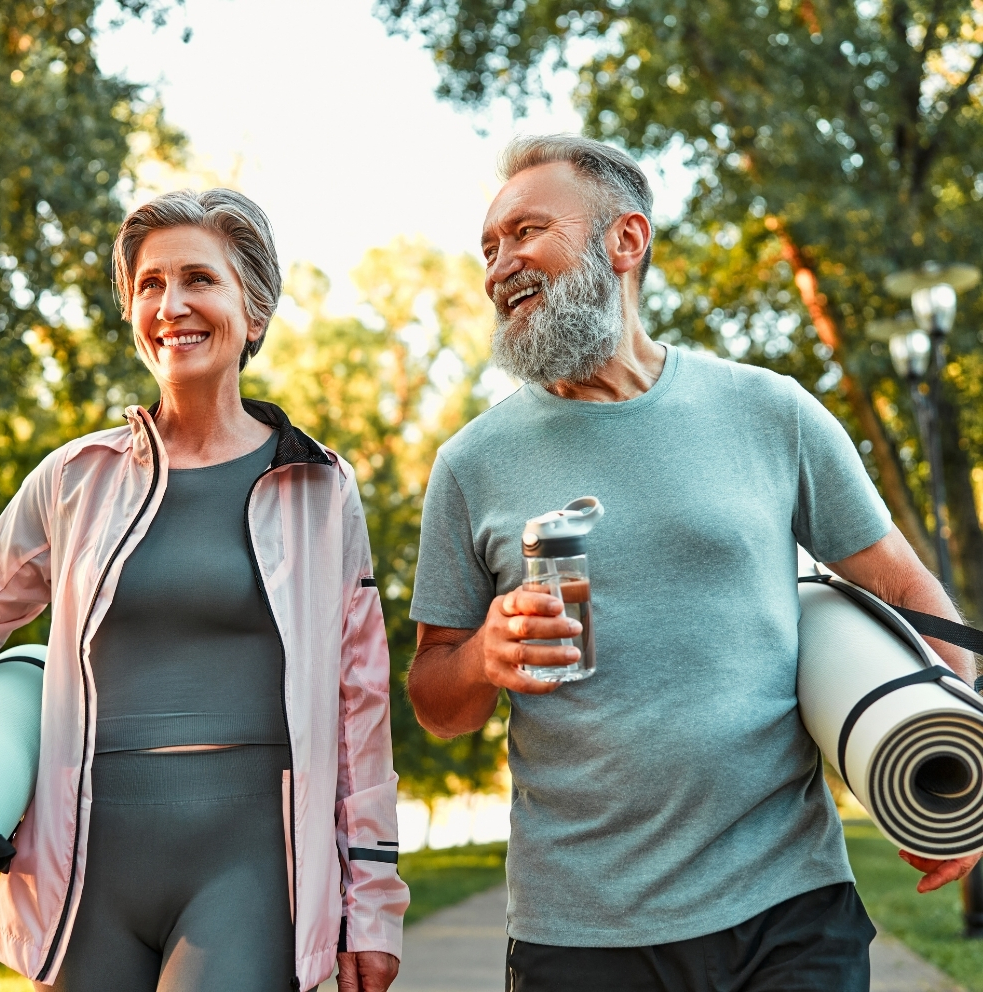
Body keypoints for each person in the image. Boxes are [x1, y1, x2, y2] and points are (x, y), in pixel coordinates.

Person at [406, 134, 979, 991]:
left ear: (626, 241)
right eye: (489, 249)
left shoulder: (768, 409)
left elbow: (904, 589)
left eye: (526, 232)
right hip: (581, 928)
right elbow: (434, 700)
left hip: (790, 905)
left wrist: (954, 774)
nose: (499, 266)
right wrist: (485, 654)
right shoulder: (470, 464)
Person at [0, 189, 407, 992]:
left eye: (198, 279)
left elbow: (360, 704)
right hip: (86, 874)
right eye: (149, 284)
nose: (170, 304)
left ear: (253, 311)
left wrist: (374, 900)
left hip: (250, 867)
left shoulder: (319, 488)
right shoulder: (74, 480)